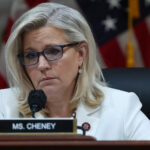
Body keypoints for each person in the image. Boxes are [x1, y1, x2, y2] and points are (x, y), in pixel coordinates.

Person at [0, 2, 150, 140]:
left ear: (80, 54)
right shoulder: (3, 107)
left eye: (53, 51)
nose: (42, 65)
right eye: (31, 55)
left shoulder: (122, 107)